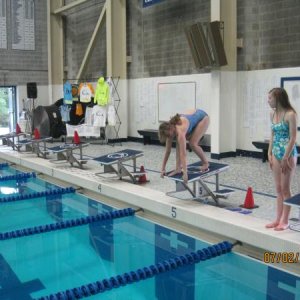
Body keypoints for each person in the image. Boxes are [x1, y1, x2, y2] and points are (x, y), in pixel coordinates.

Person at [267, 87, 297, 231]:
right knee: (278, 188)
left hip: (288, 154)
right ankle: (277, 219)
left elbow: (293, 138)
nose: (268, 101)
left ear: (278, 99)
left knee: (285, 189)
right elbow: (272, 135)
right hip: (275, 152)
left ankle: (285, 221)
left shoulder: (290, 114)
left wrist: (286, 157)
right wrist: (269, 152)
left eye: (270, 98)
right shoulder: (272, 114)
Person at [158, 109, 209, 183]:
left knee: (193, 144)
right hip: (192, 116)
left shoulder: (180, 131)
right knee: (178, 142)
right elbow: (167, 151)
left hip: (203, 117)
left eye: (168, 135)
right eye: (167, 136)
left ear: (171, 128)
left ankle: (205, 163)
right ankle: (178, 168)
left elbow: (183, 154)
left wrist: (185, 173)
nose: (168, 137)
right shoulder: (169, 131)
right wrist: (163, 169)